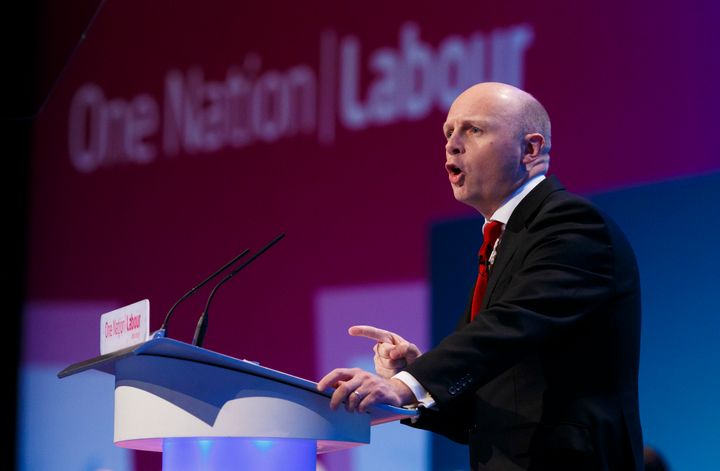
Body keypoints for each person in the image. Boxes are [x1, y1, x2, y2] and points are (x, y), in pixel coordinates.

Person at [317, 82, 643, 470]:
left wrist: (408, 384)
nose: (452, 144)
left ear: (531, 149)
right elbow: (483, 405)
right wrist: (407, 385)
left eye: (473, 129)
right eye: (448, 132)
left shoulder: (571, 224)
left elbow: (509, 326)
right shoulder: (502, 240)